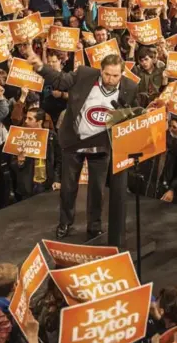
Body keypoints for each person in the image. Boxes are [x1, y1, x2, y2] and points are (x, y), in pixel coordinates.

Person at [28, 52, 138, 239]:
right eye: (107, 74)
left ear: (122, 73)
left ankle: (94, 226)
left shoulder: (130, 87)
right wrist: (40, 66)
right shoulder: (84, 74)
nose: (110, 79)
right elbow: (60, 81)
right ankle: (65, 223)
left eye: (115, 75)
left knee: (97, 190)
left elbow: (133, 112)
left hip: (101, 144)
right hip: (75, 140)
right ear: (100, 70)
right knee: (68, 188)